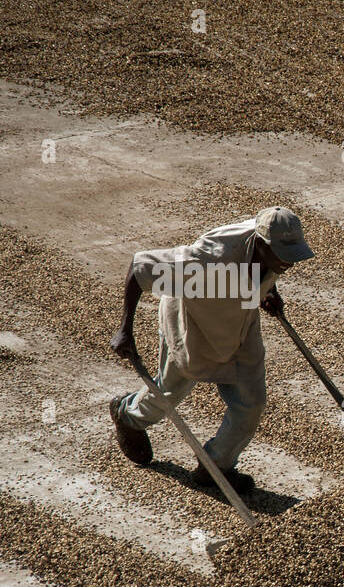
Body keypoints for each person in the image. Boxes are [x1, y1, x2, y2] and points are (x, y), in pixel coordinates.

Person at [107, 207, 314, 492]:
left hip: (241, 320)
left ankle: (216, 466)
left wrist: (269, 291)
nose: (289, 262)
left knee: (251, 403)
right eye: (282, 255)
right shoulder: (207, 259)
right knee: (171, 390)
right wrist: (124, 329)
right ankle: (129, 416)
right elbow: (139, 267)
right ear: (261, 243)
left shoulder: (274, 250)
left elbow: (264, 270)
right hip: (194, 320)